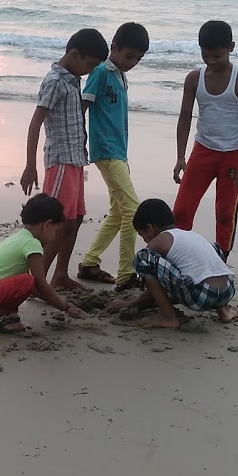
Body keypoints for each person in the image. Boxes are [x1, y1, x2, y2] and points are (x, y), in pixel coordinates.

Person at [20, 28, 109, 291]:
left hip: (76, 160)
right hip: (60, 161)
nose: (89, 71)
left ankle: (60, 275)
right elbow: (35, 123)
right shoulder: (55, 81)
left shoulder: (72, 79)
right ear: (74, 54)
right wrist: (30, 164)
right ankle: (38, 282)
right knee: (56, 223)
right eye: (89, 65)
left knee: (76, 218)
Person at [172, 20, 238, 261]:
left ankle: (221, 260)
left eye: (217, 55)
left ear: (231, 47)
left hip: (233, 155)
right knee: (181, 210)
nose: (210, 60)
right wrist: (180, 156)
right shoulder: (193, 79)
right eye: (205, 54)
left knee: (224, 212)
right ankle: (181, 256)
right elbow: (184, 118)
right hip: (203, 151)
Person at [76, 22, 150, 291]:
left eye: (138, 59)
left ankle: (89, 263)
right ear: (114, 48)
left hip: (119, 151)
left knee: (119, 212)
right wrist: (77, 143)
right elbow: (83, 105)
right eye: (130, 56)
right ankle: (126, 274)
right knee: (133, 211)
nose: (133, 63)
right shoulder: (101, 71)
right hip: (106, 151)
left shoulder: (120, 75)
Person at [0, 194, 86, 334]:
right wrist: (65, 307)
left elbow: (34, 289)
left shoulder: (19, 237)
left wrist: (56, 302)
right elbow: (39, 284)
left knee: (24, 281)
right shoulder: (32, 243)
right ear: (47, 225)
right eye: (56, 231)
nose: (55, 236)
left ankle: (1, 314)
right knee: (26, 280)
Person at [106, 198, 238, 328]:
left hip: (201, 296)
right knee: (212, 250)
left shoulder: (159, 241)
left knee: (143, 258)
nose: (145, 241)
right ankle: (224, 311)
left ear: (150, 228)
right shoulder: (189, 235)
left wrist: (128, 304)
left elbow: (153, 285)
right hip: (228, 290)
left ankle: (168, 317)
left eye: (142, 235)